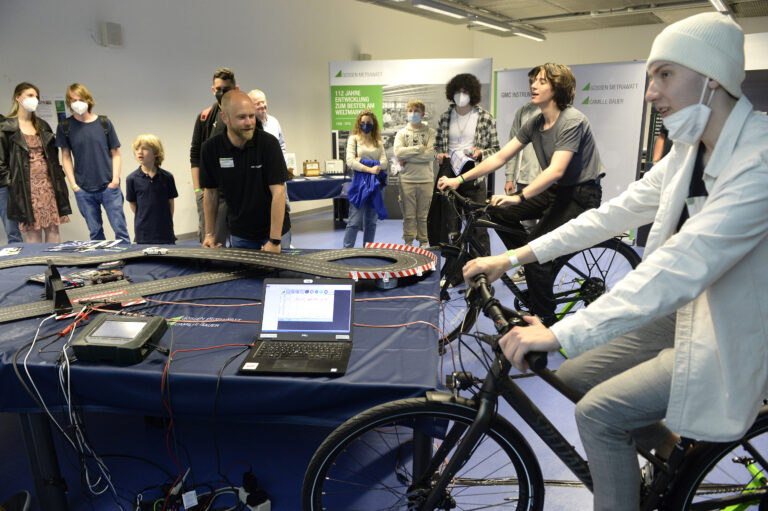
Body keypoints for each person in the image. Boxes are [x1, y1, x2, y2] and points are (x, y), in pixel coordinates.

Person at [463, 13, 768, 511]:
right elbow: (614, 214)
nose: (650, 92)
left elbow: (680, 266)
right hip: (690, 311)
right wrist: (516, 255)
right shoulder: (691, 151)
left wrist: (561, 332)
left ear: (712, 79)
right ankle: (675, 458)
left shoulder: (759, 161)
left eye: (664, 74)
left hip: (738, 324)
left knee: (600, 414)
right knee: (576, 377)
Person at [438, 63, 604, 325]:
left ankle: (547, 324)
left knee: (536, 258)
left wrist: (519, 196)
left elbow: (556, 170)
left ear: (558, 88)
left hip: (581, 195)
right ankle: (531, 259)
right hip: (556, 192)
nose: (533, 85)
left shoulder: (572, 120)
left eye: (541, 81)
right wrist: (459, 179)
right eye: (534, 80)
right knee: (496, 212)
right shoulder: (536, 122)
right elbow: (501, 157)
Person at [199, 91, 289, 251]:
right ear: (225, 118)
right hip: (240, 235)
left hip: (274, 231)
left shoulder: (269, 145)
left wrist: (274, 240)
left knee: (277, 276)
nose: (249, 122)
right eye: (241, 117)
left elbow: (279, 193)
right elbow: (210, 193)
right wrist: (209, 234)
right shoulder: (211, 149)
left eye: (251, 116)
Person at [428, 73, 500, 253]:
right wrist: (439, 154)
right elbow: (436, 146)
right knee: (451, 228)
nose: (461, 95)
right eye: (458, 91)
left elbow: (496, 149)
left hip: (474, 176)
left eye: (465, 91)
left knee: (479, 227)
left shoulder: (485, 117)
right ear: (451, 93)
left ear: (473, 93)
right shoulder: (445, 117)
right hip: (449, 173)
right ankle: (456, 272)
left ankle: (482, 275)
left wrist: (481, 153)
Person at [56, 83, 129, 242]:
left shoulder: (104, 123)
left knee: (120, 230)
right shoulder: (65, 126)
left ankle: (128, 262)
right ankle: (100, 262)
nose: (77, 103)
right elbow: (66, 157)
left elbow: (116, 152)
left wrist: (115, 179)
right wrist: (74, 186)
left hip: (109, 186)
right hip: (84, 190)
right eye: (73, 100)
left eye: (80, 99)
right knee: (95, 233)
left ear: (88, 100)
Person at [0, 82, 71, 243]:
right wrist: (12, 184)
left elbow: (53, 157)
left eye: (36, 97)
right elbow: (1, 162)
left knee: (53, 227)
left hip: (47, 183)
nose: (35, 100)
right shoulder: (6, 127)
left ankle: (55, 265)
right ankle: (37, 268)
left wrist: (58, 179)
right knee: (34, 230)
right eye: (30, 96)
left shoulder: (42, 125)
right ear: (18, 98)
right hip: (24, 186)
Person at [190, 68, 239, 247]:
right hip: (212, 195)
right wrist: (198, 192)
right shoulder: (205, 118)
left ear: (236, 89)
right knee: (213, 246)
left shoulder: (244, 119)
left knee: (244, 248)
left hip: (240, 195)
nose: (222, 93)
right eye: (218, 89)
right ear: (213, 90)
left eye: (227, 89)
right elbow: (195, 155)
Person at [247, 89, 292, 248]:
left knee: (281, 202)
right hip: (257, 179)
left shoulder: (274, 122)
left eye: (263, 102)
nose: (262, 106)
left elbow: (282, 144)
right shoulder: (248, 127)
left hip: (276, 174)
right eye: (257, 103)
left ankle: (280, 239)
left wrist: (283, 164)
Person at [393, 100, 436, 247]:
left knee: (423, 216)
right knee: (409, 216)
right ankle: (408, 242)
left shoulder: (431, 133)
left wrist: (408, 156)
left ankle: (424, 242)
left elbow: (431, 155)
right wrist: (419, 149)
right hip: (407, 181)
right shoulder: (401, 133)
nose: (413, 114)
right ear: (406, 113)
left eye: (416, 111)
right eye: (410, 111)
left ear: (423, 114)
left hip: (426, 180)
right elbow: (398, 152)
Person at [343, 109, 387, 249]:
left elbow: (385, 163)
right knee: (354, 221)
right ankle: (346, 252)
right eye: (363, 122)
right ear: (358, 123)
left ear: (373, 124)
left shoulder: (378, 142)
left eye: (368, 122)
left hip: (375, 186)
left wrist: (361, 161)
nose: (365, 125)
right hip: (359, 185)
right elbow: (350, 161)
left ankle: (368, 251)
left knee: (371, 223)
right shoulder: (354, 139)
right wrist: (371, 169)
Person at [126, 134, 177, 245]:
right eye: (137, 149)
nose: (140, 152)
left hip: (165, 230)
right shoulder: (131, 179)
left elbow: (171, 203)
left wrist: (166, 221)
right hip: (143, 232)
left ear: (156, 152)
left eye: (145, 148)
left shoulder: (167, 177)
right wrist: (145, 217)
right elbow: (133, 203)